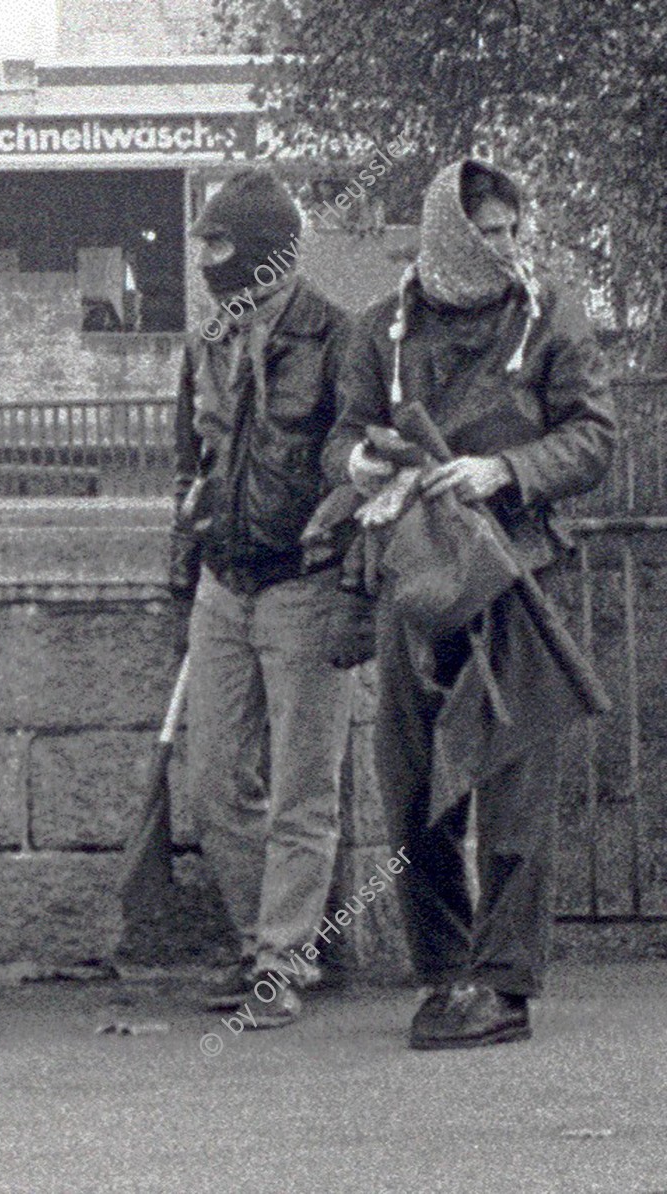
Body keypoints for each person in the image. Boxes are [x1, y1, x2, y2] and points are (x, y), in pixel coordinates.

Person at [324, 158, 615, 1050]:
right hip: (416, 576)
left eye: (512, 229)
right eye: (487, 230)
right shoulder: (382, 330)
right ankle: (445, 971)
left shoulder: (551, 316)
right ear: (450, 232)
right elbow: (342, 436)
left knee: (518, 785)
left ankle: (503, 987)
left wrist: (506, 470)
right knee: (411, 785)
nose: (507, 245)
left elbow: (596, 435)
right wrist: (364, 464)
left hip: (519, 573)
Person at [172, 167, 355, 1029]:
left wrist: (333, 520)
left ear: (261, 251)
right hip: (225, 581)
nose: (204, 258)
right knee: (210, 780)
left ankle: (281, 962)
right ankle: (264, 947)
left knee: (304, 791)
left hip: (305, 587)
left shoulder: (340, 338)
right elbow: (192, 457)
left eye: (218, 243)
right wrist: (193, 524)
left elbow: (363, 458)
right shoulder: (206, 339)